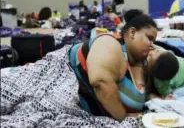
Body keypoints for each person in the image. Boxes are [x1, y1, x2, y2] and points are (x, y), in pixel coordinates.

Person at [1, 9, 158, 125]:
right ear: (132, 33)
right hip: (52, 79)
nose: (152, 45)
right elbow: (101, 83)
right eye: (149, 38)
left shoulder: (142, 62)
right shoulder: (110, 43)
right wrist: (124, 120)